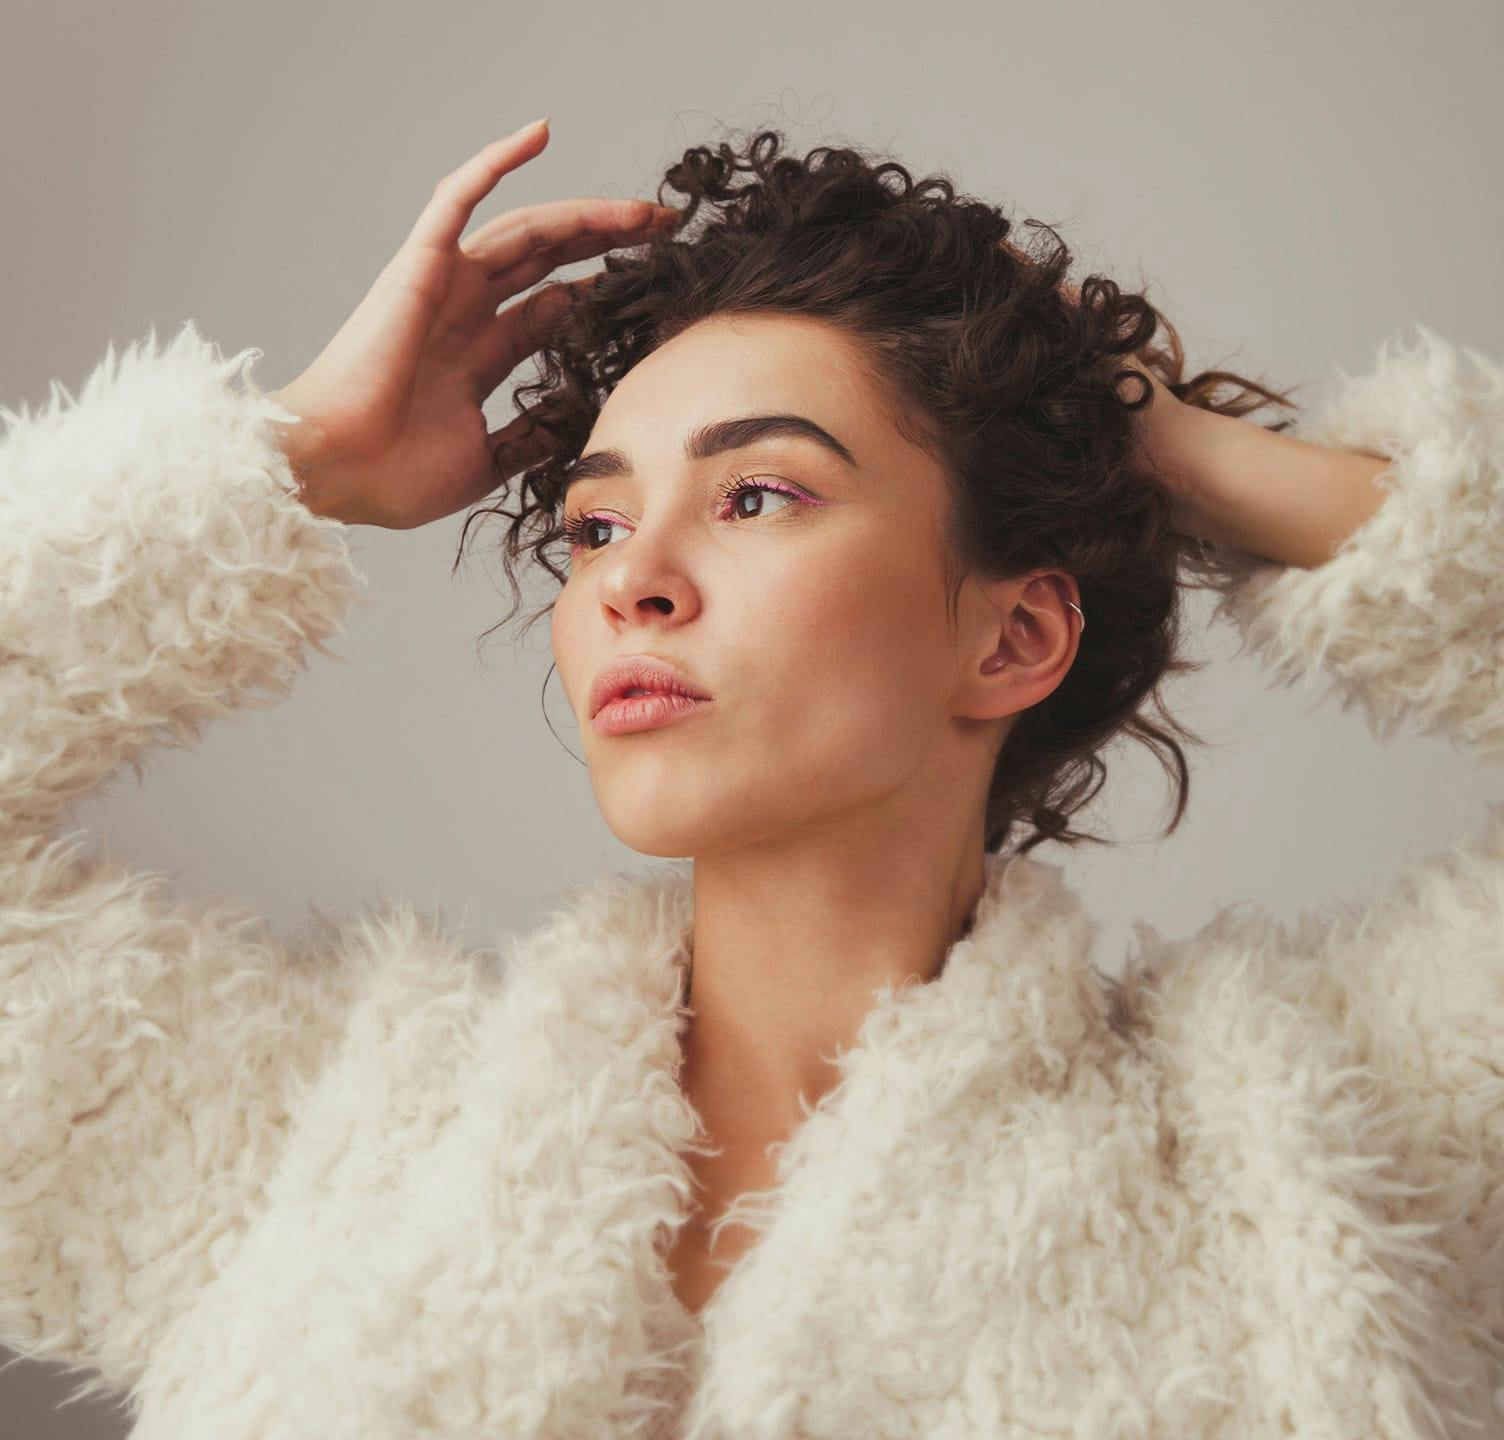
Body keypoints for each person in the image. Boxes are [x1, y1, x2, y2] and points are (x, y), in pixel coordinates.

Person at [1, 117, 1499, 1440]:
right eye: (593, 526)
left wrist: (1166, 443)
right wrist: (291, 458)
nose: (631, 581)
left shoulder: (1312, 1144)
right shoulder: (310, 1135)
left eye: (758, 493)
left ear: (1016, 633)